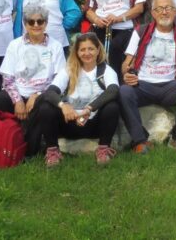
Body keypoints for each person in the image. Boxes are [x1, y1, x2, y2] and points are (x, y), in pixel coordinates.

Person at [119, 0, 176, 153]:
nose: (164, 12)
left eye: (168, 8)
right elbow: (126, 63)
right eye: (159, 9)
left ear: (175, 12)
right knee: (124, 91)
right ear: (153, 13)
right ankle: (140, 140)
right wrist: (127, 73)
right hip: (143, 84)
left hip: (170, 84)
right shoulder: (141, 32)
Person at [0, 5, 66, 157]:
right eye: (31, 21)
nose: (35, 25)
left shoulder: (56, 46)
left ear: (46, 23)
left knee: (45, 107)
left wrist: (38, 94)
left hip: (43, 94)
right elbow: (7, 78)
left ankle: (31, 150)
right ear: (25, 23)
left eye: (40, 21)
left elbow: (59, 79)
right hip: (18, 92)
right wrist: (18, 101)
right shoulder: (15, 45)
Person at [33, 33, 122, 166]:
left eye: (91, 49)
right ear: (77, 52)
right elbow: (50, 92)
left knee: (112, 106)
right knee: (46, 107)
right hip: (70, 122)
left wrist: (89, 109)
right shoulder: (69, 70)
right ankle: (52, 151)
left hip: (94, 124)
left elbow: (113, 90)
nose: (87, 53)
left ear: (98, 50)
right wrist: (63, 106)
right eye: (82, 49)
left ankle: (103, 149)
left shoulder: (106, 71)